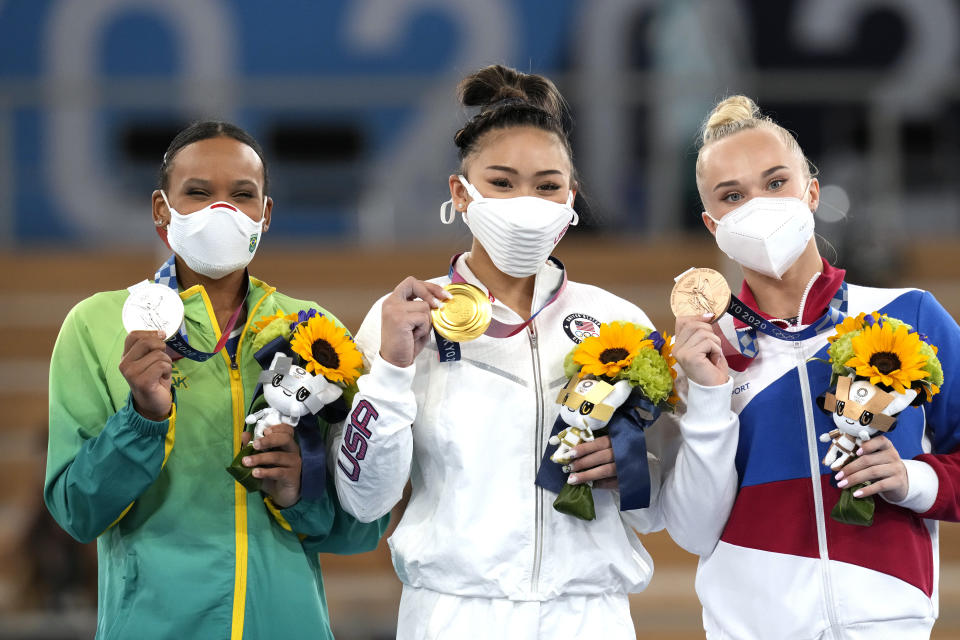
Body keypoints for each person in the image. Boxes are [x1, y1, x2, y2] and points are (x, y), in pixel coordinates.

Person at [331, 64, 739, 639]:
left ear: (570, 199)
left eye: (547, 185)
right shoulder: (402, 321)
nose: (527, 201)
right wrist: (394, 371)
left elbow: (668, 513)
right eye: (502, 182)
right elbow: (364, 499)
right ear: (460, 193)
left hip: (590, 616)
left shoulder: (618, 323)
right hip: (453, 616)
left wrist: (630, 473)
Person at [45, 121, 387, 639]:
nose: (220, 211)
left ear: (265, 214)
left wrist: (301, 489)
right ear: (163, 210)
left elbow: (364, 525)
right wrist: (141, 420)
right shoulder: (98, 325)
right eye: (199, 193)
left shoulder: (314, 334)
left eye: (242, 195)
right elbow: (76, 511)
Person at [683, 95, 960, 638]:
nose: (757, 204)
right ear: (712, 224)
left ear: (811, 191)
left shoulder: (909, 314)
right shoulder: (702, 356)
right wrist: (710, 397)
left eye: (775, 182)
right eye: (733, 196)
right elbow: (692, 529)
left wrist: (915, 480)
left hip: (888, 625)